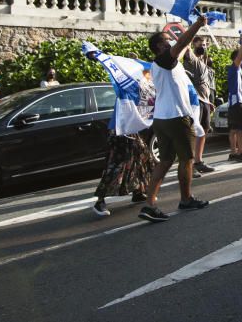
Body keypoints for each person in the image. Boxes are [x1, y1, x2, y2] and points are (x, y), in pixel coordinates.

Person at [138, 14, 210, 223]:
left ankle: (149, 204)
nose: (170, 40)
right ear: (160, 47)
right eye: (166, 39)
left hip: (162, 119)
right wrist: (197, 24)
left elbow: (183, 49)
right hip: (176, 118)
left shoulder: (167, 63)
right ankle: (186, 199)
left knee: (166, 160)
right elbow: (182, 42)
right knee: (187, 159)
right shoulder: (164, 60)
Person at [92, 69, 155, 217]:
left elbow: (146, 109)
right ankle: (99, 202)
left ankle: (138, 191)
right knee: (118, 165)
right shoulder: (125, 88)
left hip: (130, 129)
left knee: (142, 158)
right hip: (119, 130)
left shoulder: (142, 90)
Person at [183, 36, 217, 176]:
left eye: (204, 44)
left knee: (204, 129)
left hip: (205, 100)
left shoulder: (204, 63)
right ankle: (190, 165)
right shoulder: (191, 59)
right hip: (194, 100)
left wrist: (210, 101)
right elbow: (185, 45)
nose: (203, 46)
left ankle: (198, 161)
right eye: (200, 44)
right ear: (193, 44)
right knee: (193, 132)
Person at [226, 32, 242, 163]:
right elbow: (241, 57)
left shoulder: (238, 70)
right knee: (240, 129)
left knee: (234, 128)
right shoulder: (234, 68)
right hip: (239, 102)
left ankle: (233, 153)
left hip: (235, 102)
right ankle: (240, 152)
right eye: (240, 58)